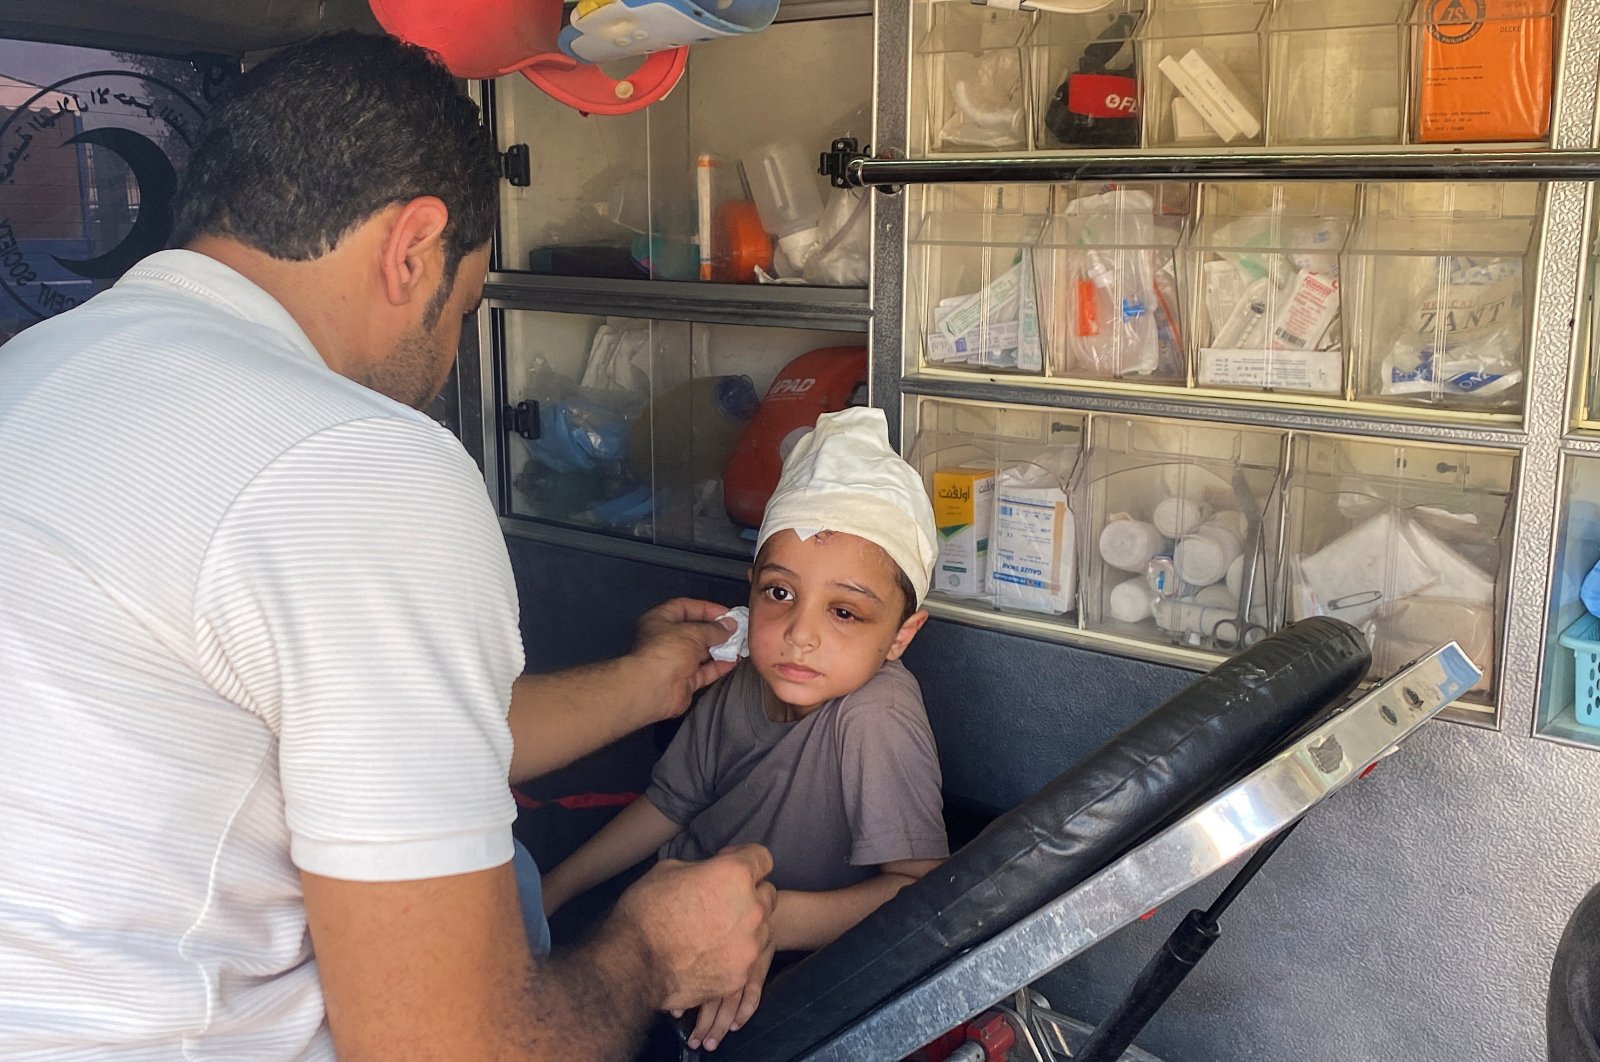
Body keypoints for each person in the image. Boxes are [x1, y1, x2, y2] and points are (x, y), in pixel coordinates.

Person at [0, 31, 775, 1060]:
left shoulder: (40, 372)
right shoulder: (356, 458)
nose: (450, 353)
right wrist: (654, 950)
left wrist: (646, 683)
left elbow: (337, 727)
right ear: (413, 247)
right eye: (462, 309)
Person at [541, 406, 952, 1052]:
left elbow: (922, 895)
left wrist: (771, 923)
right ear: (752, 587)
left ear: (901, 635)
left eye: (845, 611)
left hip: (784, 961)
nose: (801, 634)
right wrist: (553, 891)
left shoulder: (877, 716)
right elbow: (669, 806)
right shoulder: (745, 679)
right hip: (674, 921)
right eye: (780, 594)